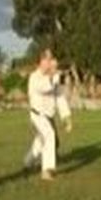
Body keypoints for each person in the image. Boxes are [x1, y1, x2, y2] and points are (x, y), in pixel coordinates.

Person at [24, 49, 72, 181]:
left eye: (51, 59)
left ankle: (28, 162)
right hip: (37, 115)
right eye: (47, 60)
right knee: (50, 135)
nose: (50, 63)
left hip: (48, 116)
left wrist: (66, 117)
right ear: (41, 61)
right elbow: (44, 88)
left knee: (41, 141)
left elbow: (60, 98)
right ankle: (47, 170)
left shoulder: (53, 78)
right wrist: (54, 75)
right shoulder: (34, 77)